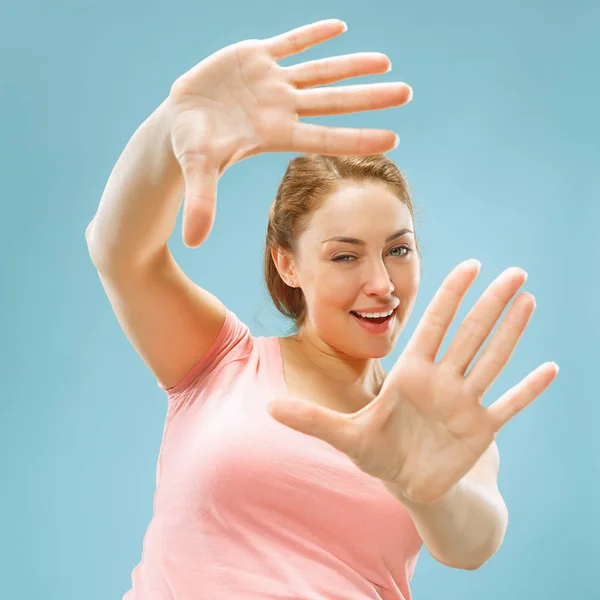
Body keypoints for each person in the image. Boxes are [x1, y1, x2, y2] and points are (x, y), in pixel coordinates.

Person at [86, 18, 558, 600]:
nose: (382, 283)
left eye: (398, 250)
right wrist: (167, 129)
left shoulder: (433, 416)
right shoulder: (221, 363)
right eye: (344, 257)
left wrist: (419, 487)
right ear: (288, 265)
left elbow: (473, 542)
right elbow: (119, 251)